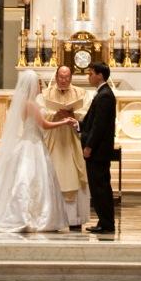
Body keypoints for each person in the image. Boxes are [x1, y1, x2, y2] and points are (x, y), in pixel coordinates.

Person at [0, 70, 75, 232]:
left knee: (29, 179)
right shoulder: (30, 104)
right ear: (31, 85)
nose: (40, 85)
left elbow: (38, 123)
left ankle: (32, 214)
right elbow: (43, 125)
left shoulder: (26, 103)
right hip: (33, 144)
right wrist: (65, 122)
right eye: (38, 83)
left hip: (31, 142)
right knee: (30, 179)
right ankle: (28, 215)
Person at [41, 65, 90, 229]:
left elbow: (86, 112)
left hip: (71, 140)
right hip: (54, 139)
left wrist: (73, 115)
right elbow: (41, 113)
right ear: (56, 77)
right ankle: (52, 218)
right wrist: (55, 114)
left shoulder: (80, 93)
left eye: (67, 77)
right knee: (52, 176)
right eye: (61, 77)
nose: (63, 80)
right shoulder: (46, 93)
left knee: (74, 175)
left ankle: (74, 219)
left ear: (71, 78)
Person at [80, 62, 116, 233]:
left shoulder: (105, 95)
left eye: (91, 73)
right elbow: (92, 122)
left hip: (99, 151)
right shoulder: (102, 93)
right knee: (98, 186)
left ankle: (106, 222)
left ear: (100, 75)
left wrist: (89, 146)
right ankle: (104, 221)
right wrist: (79, 125)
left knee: (100, 186)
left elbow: (99, 126)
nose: (89, 76)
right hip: (98, 150)